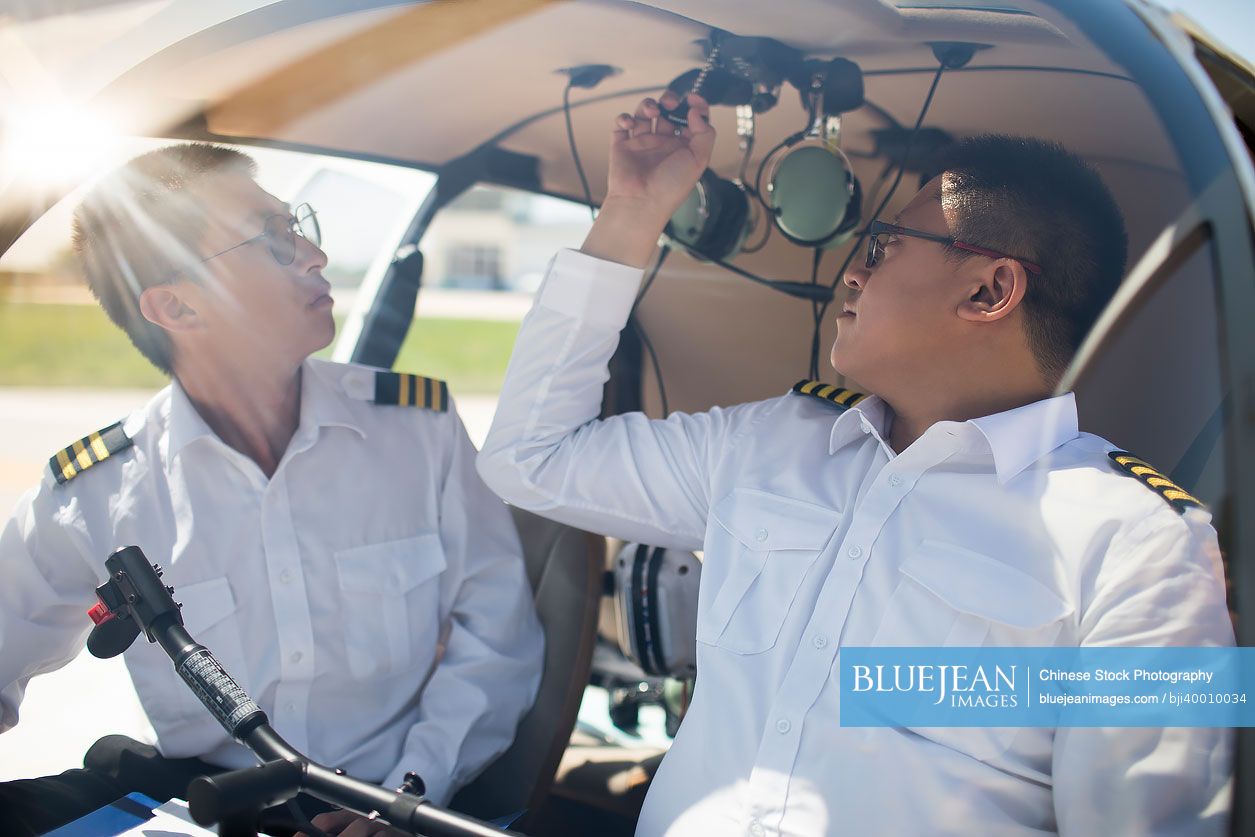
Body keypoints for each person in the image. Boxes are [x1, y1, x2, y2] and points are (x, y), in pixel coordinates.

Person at [476, 92, 1234, 835]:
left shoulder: (1142, 542)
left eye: (881, 245)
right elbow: (529, 459)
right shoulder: (772, 442)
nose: (850, 273)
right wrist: (634, 210)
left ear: (988, 288)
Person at [0, 143, 544, 836]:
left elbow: (498, 641)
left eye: (298, 225)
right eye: (273, 240)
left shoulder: (418, 430)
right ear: (176, 306)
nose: (314, 255)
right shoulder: (96, 492)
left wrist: (410, 792)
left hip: (401, 802)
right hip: (205, 807)